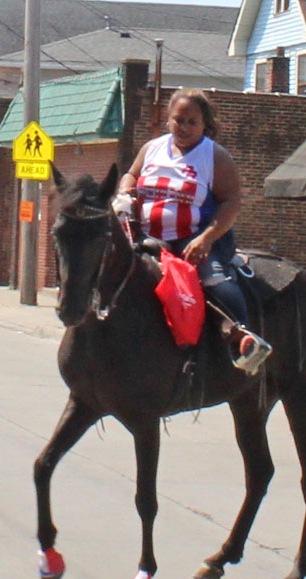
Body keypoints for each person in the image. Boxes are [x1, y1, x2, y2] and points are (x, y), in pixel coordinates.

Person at [116, 88, 271, 374]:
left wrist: (206, 239)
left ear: (204, 124)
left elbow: (232, 201)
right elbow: (132, 173)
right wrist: (126, 188)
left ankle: (241, 341)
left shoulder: (214, 156)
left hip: (198, 240)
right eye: (179, 120)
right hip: (150, 239)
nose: (184, 127)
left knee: (216, 283)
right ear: (168, 120)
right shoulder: (152, 148)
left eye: (192, 122)